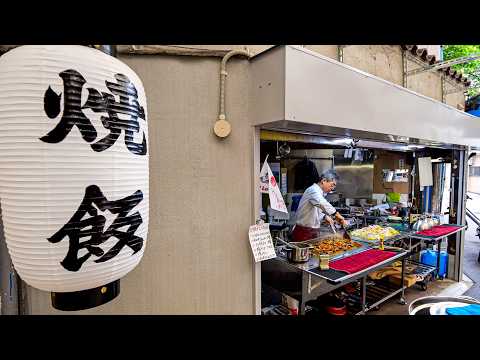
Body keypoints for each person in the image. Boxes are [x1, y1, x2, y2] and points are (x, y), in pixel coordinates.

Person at [291, 169, 347, 242]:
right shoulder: (313, 190)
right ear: (324, 181)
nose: (332, 188)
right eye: (332, 185)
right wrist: (337, 215)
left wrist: (325, 217)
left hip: (312, 231)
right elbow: (322, 203)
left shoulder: (319, 192)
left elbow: (317, 207)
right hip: (303, 232)